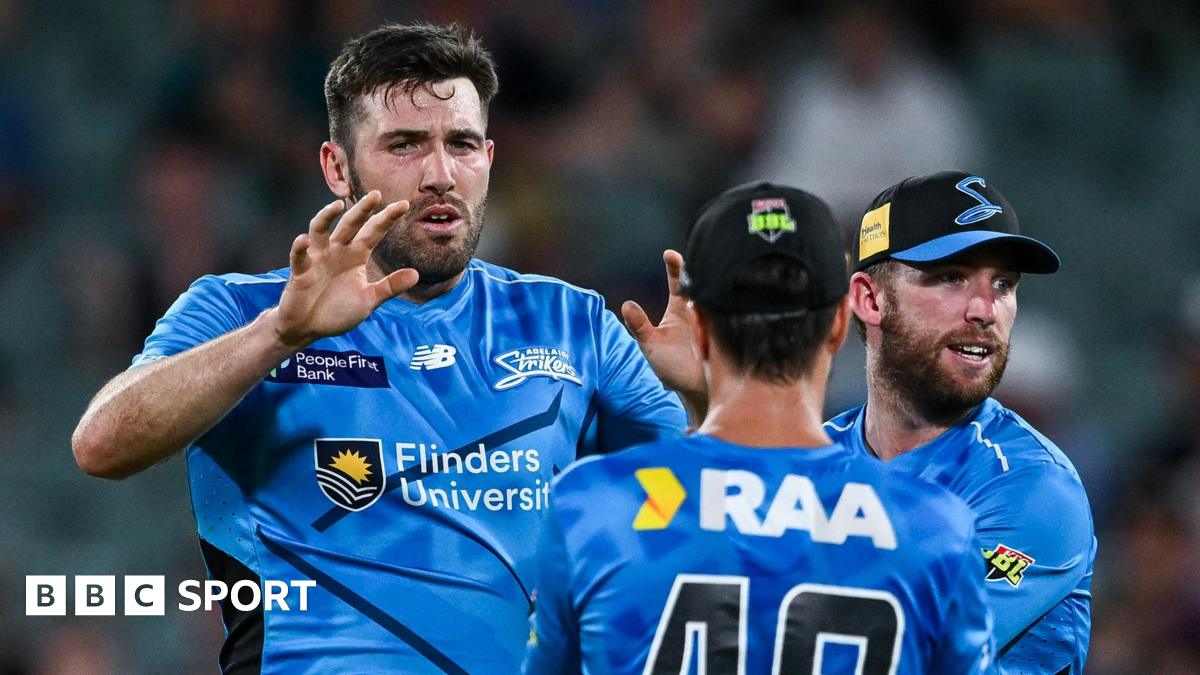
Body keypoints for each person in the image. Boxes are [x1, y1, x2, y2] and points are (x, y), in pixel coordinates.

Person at [70, 23, 685, 674]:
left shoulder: (575, 324)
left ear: (489, 159)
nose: (441, 174)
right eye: (406, 145)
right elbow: (102, 443)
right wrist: (279, 335)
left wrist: (711, 402)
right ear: (338, 166)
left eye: (462, 144)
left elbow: (687, 515)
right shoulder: (239, 311)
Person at [524, 182, 996, 674]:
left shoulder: (593, 505)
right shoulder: (934, 528)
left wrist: (697, 398)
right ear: (839, 321)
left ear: (700, 325)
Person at [824, 172, 1095, 674]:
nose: (985, 309)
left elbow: (887, 656)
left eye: (1003, 284)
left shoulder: (1031, 486)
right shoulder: (815, 457)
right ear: (869, 299)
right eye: (951, 276)